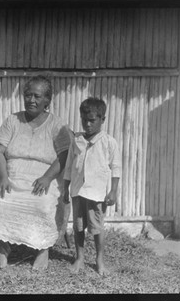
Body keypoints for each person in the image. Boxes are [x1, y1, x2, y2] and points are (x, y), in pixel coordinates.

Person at [0, 75, 72, 270]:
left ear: (47, 100)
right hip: (11, 176)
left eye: (37, 96)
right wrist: (3, 177)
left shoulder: (57, 125)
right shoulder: (12, 120)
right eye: (28, 95)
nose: (31, 100)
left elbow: (65, 156)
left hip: (43, 178)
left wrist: (48, 177)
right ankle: (2, 251)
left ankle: (42, 250)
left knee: (42, 204)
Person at [63, 97, 121, 275]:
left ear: (102, 120)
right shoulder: (77, 140)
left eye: (92, 120)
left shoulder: (108, 142)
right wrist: (65, 188)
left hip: (96, 194)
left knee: (96, 227)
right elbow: (69, 165)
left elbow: (116, 167)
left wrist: (113, 191)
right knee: (78, 226)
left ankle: (99, 260)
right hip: (78, 191)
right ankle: (79, 258)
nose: (87, 124)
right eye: (84, 120)